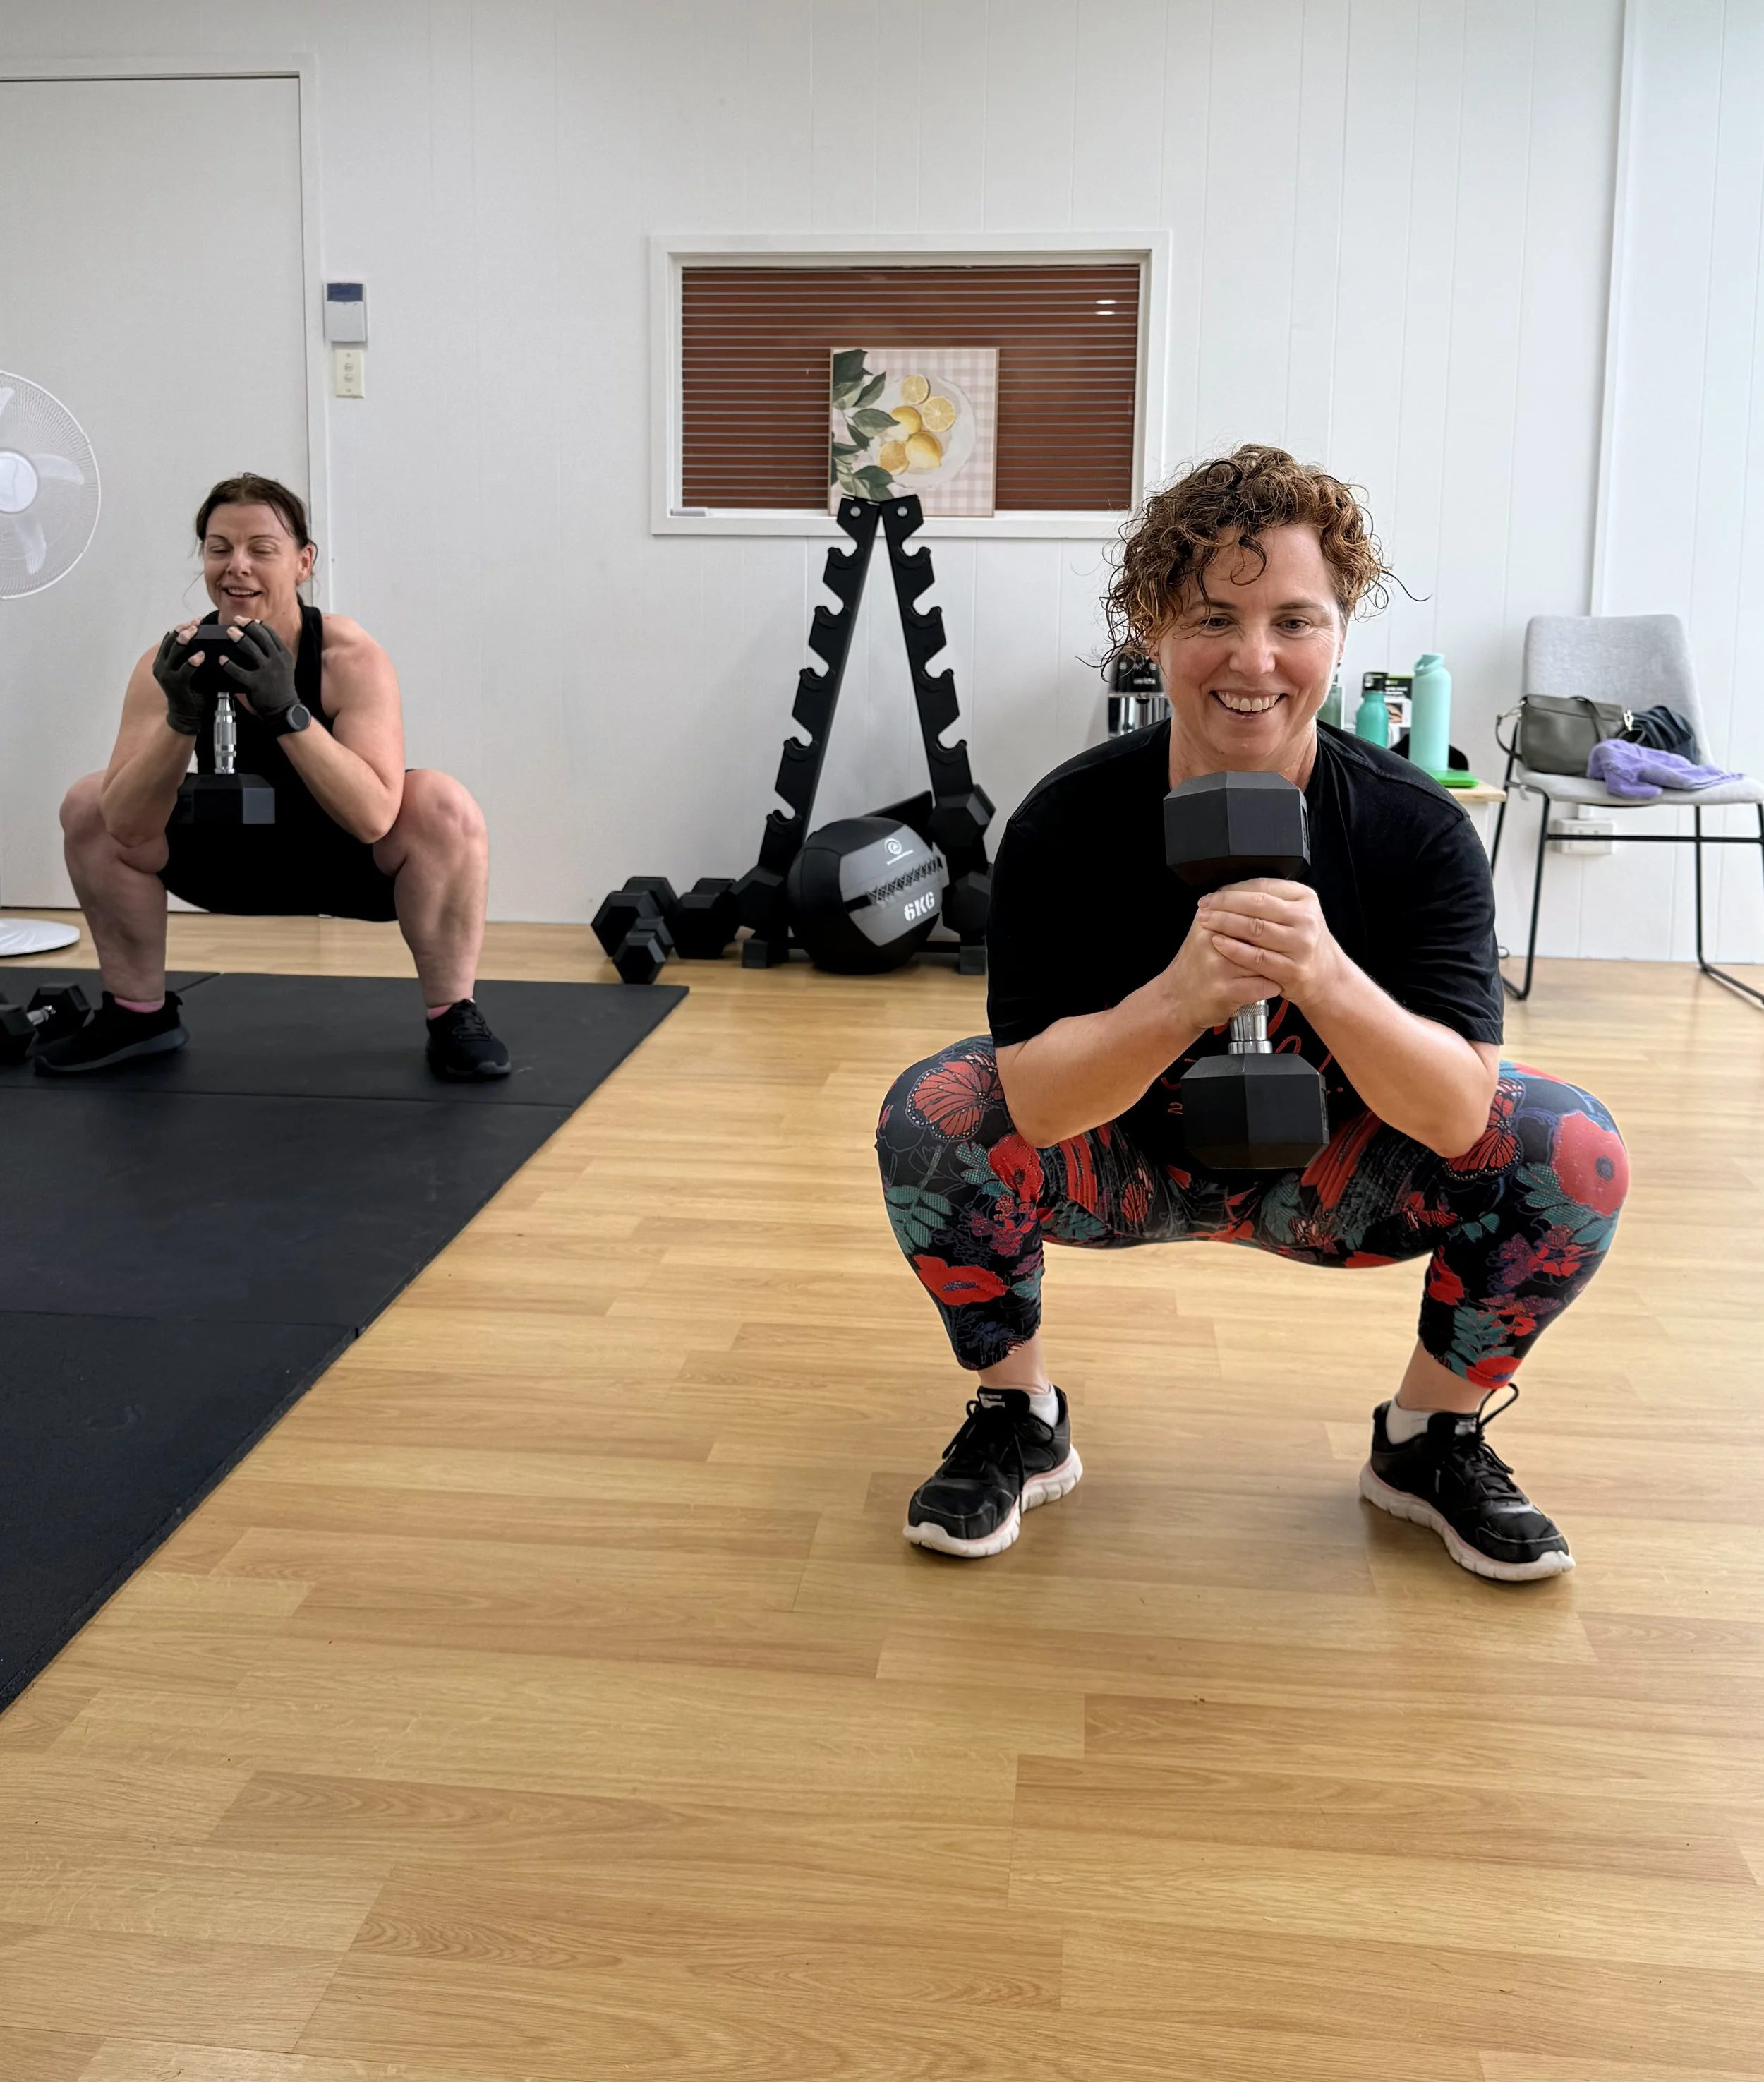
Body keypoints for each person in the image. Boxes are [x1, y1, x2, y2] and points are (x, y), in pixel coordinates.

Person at [877, 446, 1628, 1582]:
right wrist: (1183, 996)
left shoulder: (1417, 829)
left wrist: (1322, 973)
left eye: (1295, 619)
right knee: (934, 1116)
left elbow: (1461, 1112)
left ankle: (1429, 1438)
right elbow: (1030, 1097)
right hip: (1128, 1160)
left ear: (1341, 628)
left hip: (1342, 1176)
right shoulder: (1064, 825)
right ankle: (1017, 1412)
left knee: (1570, 1146)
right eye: (1211, 617)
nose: (1254, 659)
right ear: (1151, 626)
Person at [45, 473, 509, 1078]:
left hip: (341, 862)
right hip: (227, 861)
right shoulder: (170, 661)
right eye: (219, 549)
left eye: (261, 549)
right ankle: (139, 1014)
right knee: (88, 803)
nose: (237, 567)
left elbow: (374, 815)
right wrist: (181, 718)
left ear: (302, 562)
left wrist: (286, 710)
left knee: (443, 804)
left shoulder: (349, 656)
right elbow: (126, 827)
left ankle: (453, 1014)